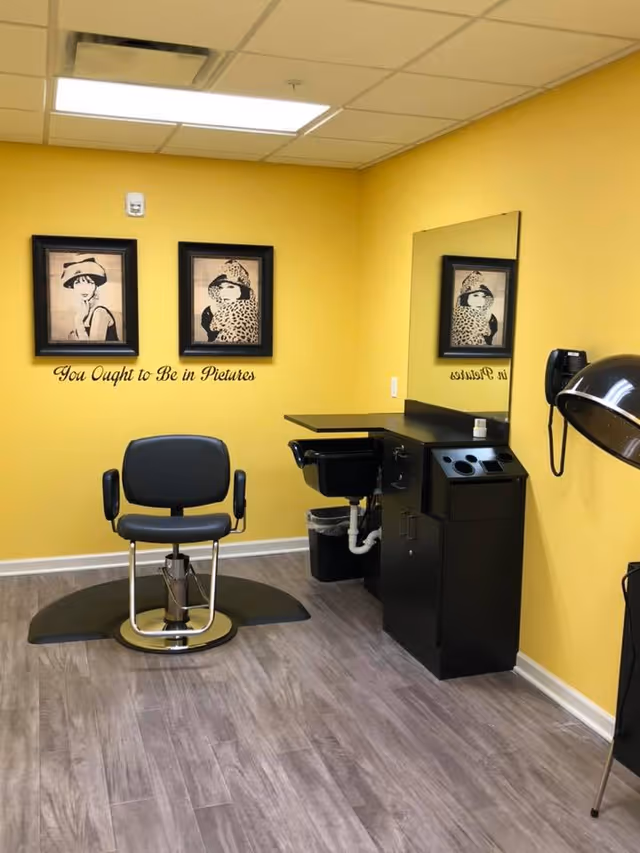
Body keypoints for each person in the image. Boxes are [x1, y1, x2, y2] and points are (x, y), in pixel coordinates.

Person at [201, 260, 259, 344]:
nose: (224, 292)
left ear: (243, 292)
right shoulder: (219, 313)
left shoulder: (241, 321)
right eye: (221, 288)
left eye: (231, 287)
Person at [62, 256, 118, 341]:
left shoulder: (100, 312)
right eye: (77, 283)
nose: (83, 288)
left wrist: (78, 322)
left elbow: (93, 349)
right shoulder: (83, 312)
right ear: (73, 286)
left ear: (95, 286)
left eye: (89, 282)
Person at [450, 270, 498, 347]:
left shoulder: (489, 317)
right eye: (475, 295)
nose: (480, 300)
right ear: (465, 298)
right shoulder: (458, 317)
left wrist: (489, 320)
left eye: (483, 296)